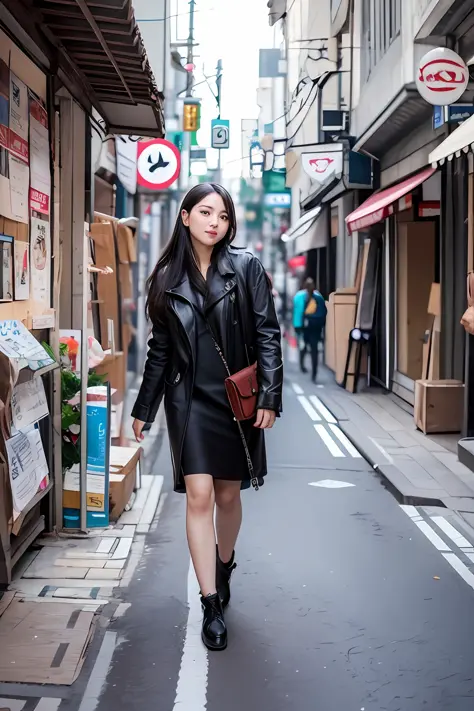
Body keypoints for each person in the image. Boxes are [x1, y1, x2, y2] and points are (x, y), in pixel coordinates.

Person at [131, 183, 283, 652]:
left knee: (227, 495)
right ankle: (211, 602)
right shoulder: (164, 280)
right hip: (190, 401)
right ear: (185, 216)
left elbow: (266, 333)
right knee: (198, 494)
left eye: (222, 215)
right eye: (205, 212)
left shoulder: (246, 267)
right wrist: (144, 409)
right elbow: (160, 350)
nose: (214, 221)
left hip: (235, 399)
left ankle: (225, 560)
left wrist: (269, 397)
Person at [293, 277, 327, 382]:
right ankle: (314, 373)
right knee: (314, 350)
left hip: (304, 327)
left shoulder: (299, 296)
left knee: (303, 346)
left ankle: (302, 365)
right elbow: (324, 312)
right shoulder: (319, 297)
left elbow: (297, 312)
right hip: (315, 328)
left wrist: (297, 327)